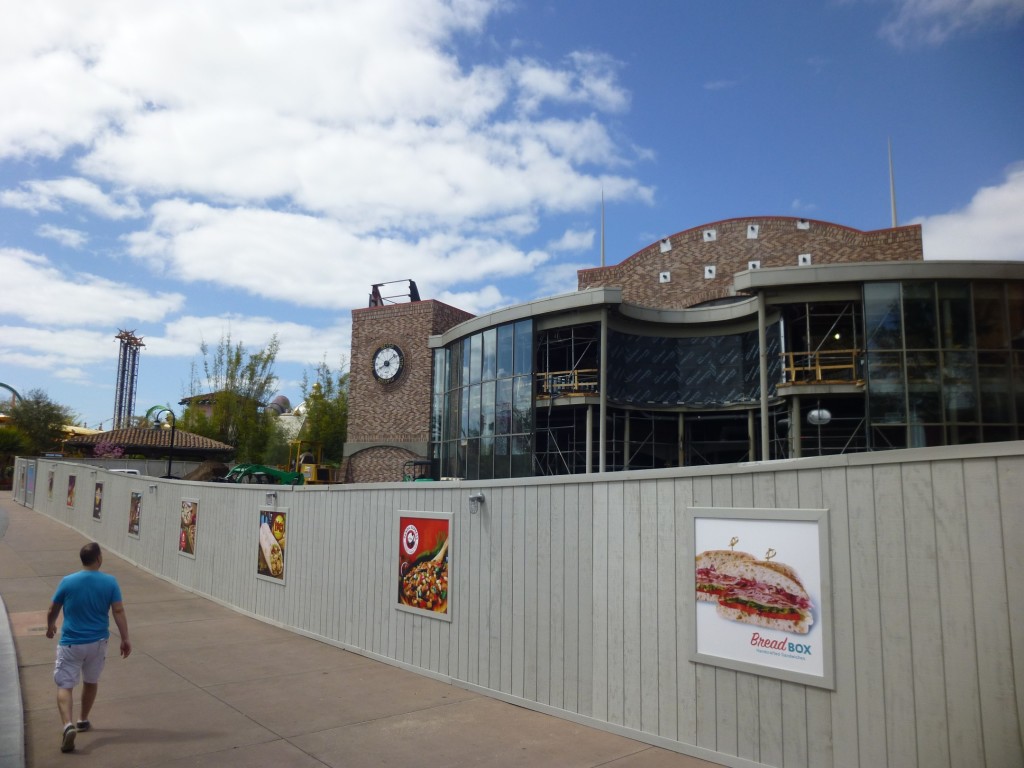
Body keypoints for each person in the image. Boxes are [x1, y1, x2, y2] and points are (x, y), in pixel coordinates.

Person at [45, 542, 131, 754]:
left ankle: (67, 725)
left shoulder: (68, 581)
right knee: (91, 681)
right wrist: (125, 638)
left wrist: (50, 626)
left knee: (65, 684)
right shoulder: (110, 582)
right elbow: (118, 611)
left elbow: (53, 608)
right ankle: (83, 719)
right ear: (99, 559)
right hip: (98, 643)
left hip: (72, 643)